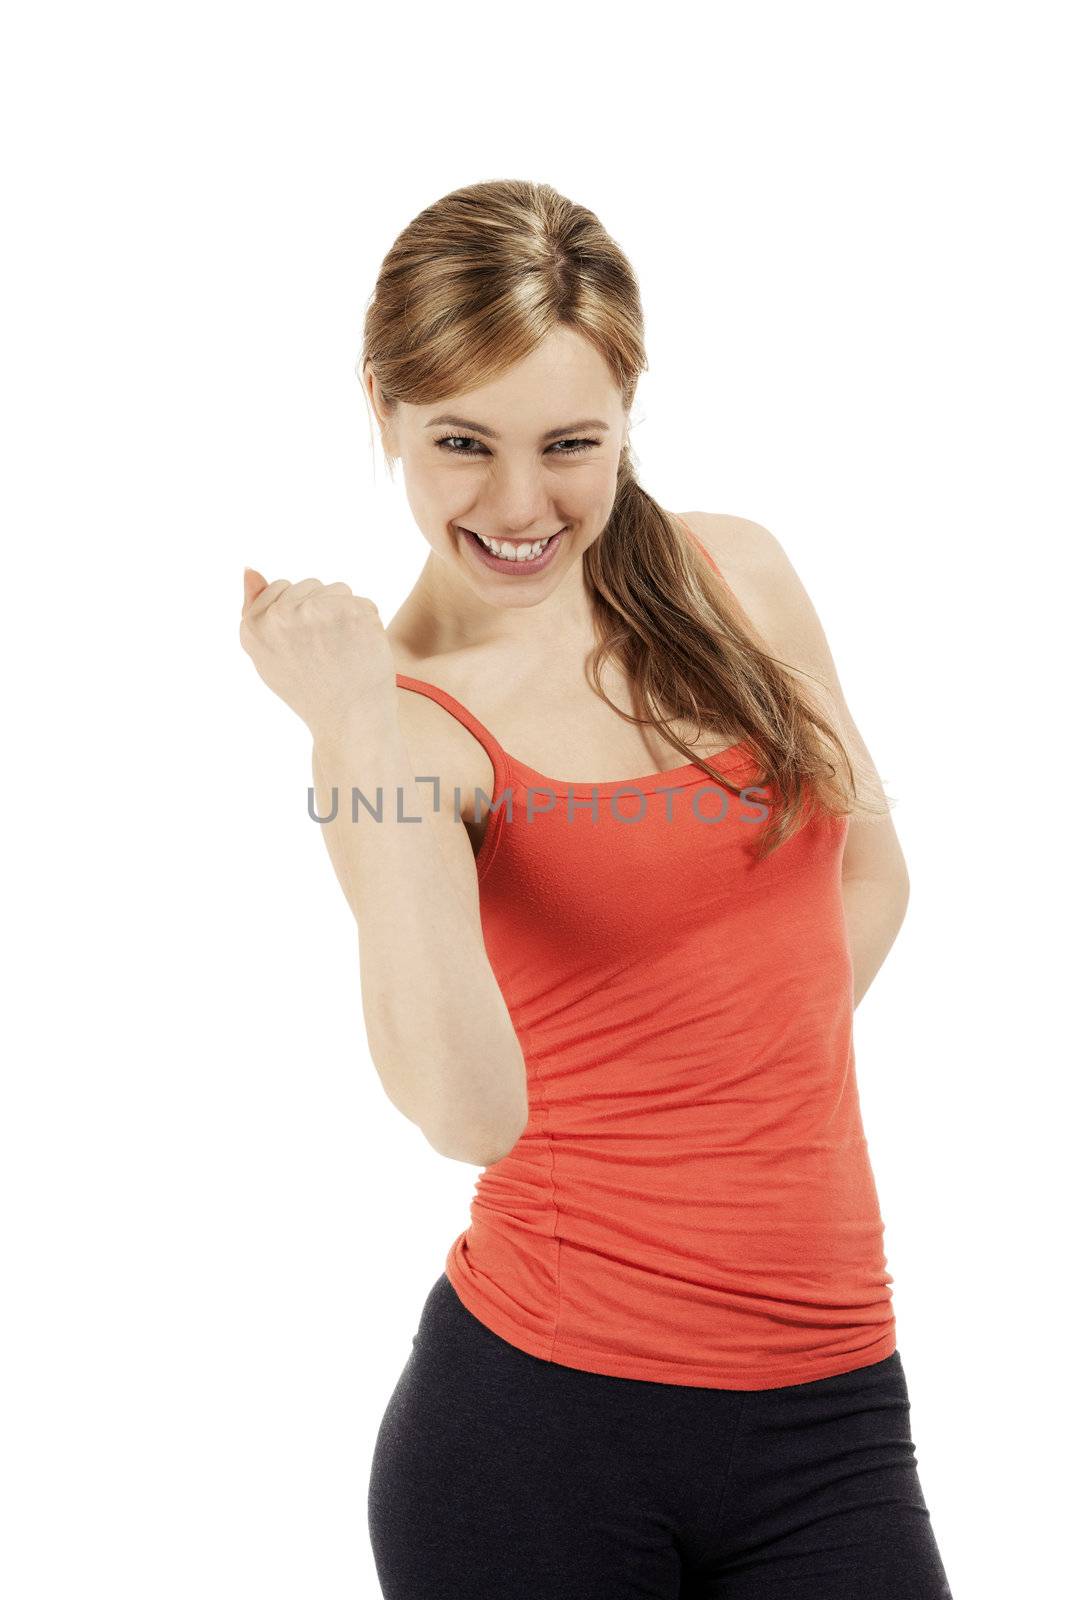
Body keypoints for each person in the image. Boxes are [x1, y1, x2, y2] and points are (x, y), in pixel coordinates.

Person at [239, 179, 954, 1598]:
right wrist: (356, 721)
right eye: (462, 444)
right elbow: (465, 1111)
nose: (519, 505)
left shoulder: (734, 574)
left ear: (632, 409)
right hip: (538, 1434)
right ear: (380, 407)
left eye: (572, 444)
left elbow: (872, 868)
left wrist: (722, 1083)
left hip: (834, 1407)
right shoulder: (407, 737)